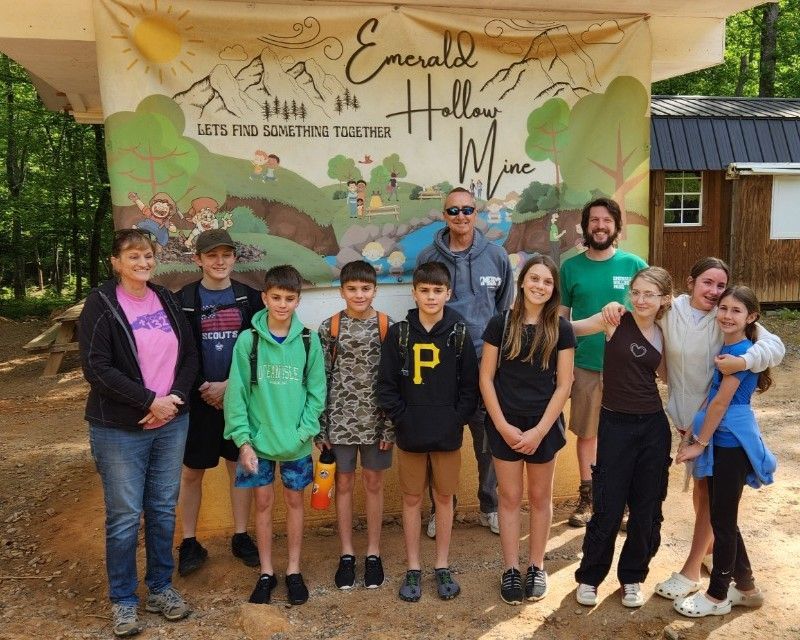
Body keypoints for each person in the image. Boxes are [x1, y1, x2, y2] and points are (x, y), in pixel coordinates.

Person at [601, 257, 784, 601]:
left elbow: (774, 346)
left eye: (720, 285)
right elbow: (640, 307)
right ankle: (733, 570)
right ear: (690, 283)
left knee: (708, 498)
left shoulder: (726, 317)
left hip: (713, 424)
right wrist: (614, 305)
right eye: (707, 283)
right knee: (710, 499)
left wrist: (744, 362)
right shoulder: (672, 311)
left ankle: (693, 570)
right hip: (684, 419)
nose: (714, 292)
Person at [78, 229, 198, 637]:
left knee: (163, 508)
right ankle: (124, 600)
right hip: (120, 428)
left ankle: (161, 588)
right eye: (133, 256)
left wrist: (174, 399)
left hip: (171, 422)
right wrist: (149, 401)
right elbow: (97, 368)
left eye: (148, 255)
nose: (142, 263)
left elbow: (189, 355)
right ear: (116, 261)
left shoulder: (166, 297)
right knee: (126, 515)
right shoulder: (101, 303)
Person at [223, 265, 326, 606]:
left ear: (298, 300)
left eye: (290, 298)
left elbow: (316, 394)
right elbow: (236, 395)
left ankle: (293, 570)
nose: (282, 304)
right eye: (276, 298)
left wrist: (305, 431)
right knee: (263, 504)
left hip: (295, 443)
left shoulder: (310, 341)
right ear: (264, 297)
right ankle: (266, 571)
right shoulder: (247, 341)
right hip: (256, 446)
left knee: (295, 502)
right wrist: (243, 441)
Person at [377, 261, 479, 602]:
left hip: (447, 434)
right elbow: (386, 386)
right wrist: (403, 418)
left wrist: (456, 419)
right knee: (411, 498)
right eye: (425, 290)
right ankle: (413, 566)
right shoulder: (400, 333)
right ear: (414, 292)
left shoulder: (459, 332)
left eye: (438, 291)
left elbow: (470, 385)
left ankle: (442, 564)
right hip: (411, 434)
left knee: (445, 498)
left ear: (448, 293)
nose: (431, 296)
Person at [572, 266, 673, 609]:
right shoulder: (614, 320)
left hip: (653, 429)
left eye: (650, 294)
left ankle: (632, 577)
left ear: (664, 300)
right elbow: (567, 330)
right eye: (637, 292)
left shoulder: (666, 330)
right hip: (614, 426)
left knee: (646, 509)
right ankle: (590, 577)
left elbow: (672, 375)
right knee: (608, 506)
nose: (642, 299)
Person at [673, 286, 776, 618]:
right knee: (723, 516)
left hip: (730, 444)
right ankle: (745, 588)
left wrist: (698, 445)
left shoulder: (742, 352)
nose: (728, 315)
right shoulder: (728, 348)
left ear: (751, 318)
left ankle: (718, 595)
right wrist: (691, 431)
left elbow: (721, 403)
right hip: (718, 440)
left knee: (723, 519)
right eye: (724, 308)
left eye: (737, 311)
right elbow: (710, 394)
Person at [417, 186, 513, 538]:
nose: (461, 216)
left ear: (477, 214)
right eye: (453, 211)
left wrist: (497, 357)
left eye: (467, 210)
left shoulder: (497, 256)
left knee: (488, 441)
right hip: (442, 367)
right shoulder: (430, 256)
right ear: (444, 215)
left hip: (485, 366)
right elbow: (426, 309)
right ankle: (443, 506)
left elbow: (504, 311)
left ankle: (490, 505)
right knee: (442, 441)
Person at [479, 255, 575, 605]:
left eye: (547, 282)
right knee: (508, 497)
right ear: (522, 282)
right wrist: (502, 426)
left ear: (553, 289)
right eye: (534, 278)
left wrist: (538, 431)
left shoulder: (561, 329)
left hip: (543, 425)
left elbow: (564, 385)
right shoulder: (500, 323)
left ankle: (536, 566)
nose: (539, 286)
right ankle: (510, 568)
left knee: (539, 499)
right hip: (505, 423)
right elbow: (486, 378)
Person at [176, 229, 264, 576]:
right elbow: (181, 351)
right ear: (198, 259)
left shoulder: (249, 298)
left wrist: (230, 386)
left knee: (240, 467)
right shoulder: (183, 299)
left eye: (226, 255)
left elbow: (259, 348)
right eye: (211, 255)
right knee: (191, 472)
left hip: (238, 399)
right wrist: (204, 387)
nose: (219, 261)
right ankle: (189, 540)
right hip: (199, 401)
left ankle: (241, 536)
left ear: (234, 259)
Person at [559, 197, 647, 528]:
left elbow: (651, 315)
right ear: (585, 227)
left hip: (626, 368)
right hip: (584, 365)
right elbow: (561, 321)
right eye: (594, 220)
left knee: (624, 437)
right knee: (588, 434)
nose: (600, 225)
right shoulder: (570, 268)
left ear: (617, 227)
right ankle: (589, 498)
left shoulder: (635, 265)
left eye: (607, 220)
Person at [317, 260, 393, 590]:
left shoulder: (388, 326)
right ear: (341, 291)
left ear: (375, 290)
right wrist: (321, 428)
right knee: (344, 486)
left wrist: (390, 426)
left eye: (365, 288)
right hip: (339, 424)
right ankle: (347, 553)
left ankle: (373, 552)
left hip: (376, 423)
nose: (359, 294)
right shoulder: (329, 327)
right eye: (352, 289)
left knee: (374, 485)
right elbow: (320, 379)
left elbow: (393, 381)